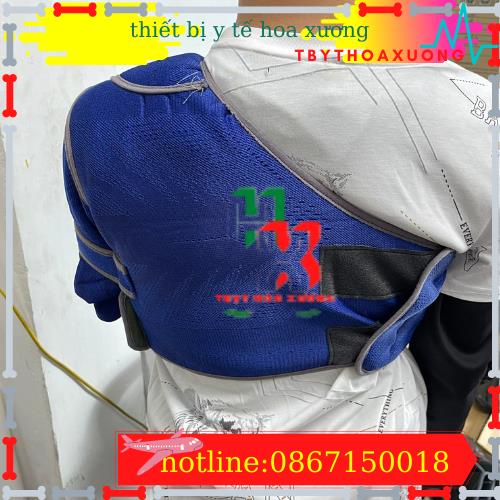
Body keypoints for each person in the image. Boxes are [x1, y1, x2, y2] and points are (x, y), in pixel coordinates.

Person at [62, 0, 492, 465]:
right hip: (360, 453)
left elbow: (103, 293)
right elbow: (458, 348)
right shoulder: (473, 119)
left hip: (177, 447)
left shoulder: (102, 117)